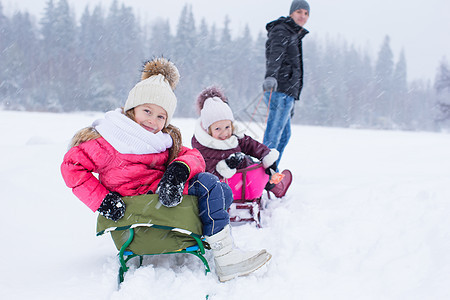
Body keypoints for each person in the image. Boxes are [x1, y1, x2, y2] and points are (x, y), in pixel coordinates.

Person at [60, 57, 271, 282]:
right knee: (211, 186)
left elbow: (193, 156)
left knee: (222, 190)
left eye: (161, 116)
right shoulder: (110, 139)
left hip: (159, 197)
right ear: (132, 109)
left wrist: (178, 170)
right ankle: (225, 256)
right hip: (134, 209)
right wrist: (103, 200)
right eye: (147, 111)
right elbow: (71, 166)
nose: (152, 120)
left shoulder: (161, 141)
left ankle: (221, 247)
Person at [191, 86, 292, 198]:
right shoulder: (205, 148)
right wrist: (227, 166)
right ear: (208, 130)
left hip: (244, 181)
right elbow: (208, 172)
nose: (224, 133)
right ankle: (276, 186)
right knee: (258, 169)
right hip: (232, 187)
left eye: (227, 127)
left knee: (262, 164)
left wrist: (266, 155)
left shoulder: (234, 136)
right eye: (217, 129)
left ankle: (274, 183)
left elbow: (251, 145)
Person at [262, 0, 310, 168]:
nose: (302, 16)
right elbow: (275, 55)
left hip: (288, 92)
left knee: (284, 135)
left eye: (306, 13)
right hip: (280, 88)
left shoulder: (294, 34)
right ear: (291, 13)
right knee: (274, 134)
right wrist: (271, 77)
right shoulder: (282, 30)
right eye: (299, 12)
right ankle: (263, 173)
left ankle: (272, 170)